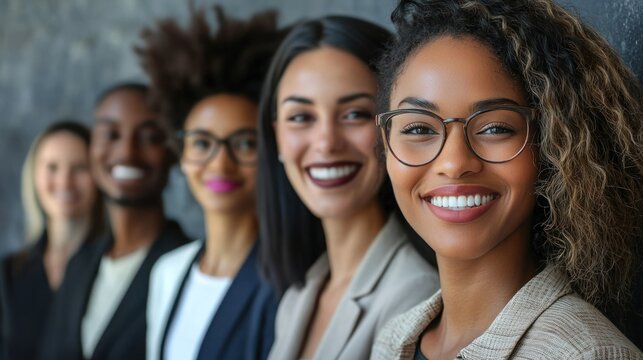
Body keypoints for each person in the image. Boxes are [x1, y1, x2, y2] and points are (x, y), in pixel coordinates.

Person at [371, 0, 643, 358]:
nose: (454, 164)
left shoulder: (586, 353)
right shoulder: (393, 340)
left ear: (550, 147)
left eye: (496, 128)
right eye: (419, 127)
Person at [257, 16, 440, 360]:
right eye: (301, 117)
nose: (326, 143)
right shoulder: (301, 293)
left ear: (394, 129)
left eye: (355, 113)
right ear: (276, 136)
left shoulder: (417, 296)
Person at [136, 6, 285, 360]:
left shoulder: (292, 279)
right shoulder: (167, 272)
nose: (220, 163)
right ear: (182, 155)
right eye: (202, 143)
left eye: (245, 143)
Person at [39, 83, 190, 360]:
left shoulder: (189, 269)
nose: (127, 153)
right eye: (111, 134)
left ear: (173, 152)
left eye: (150, 137)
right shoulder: (79, 264)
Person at [0, 121, 103, 360]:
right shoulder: (9, 274)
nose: (65, 182)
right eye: (52, 167)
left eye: (79, 168)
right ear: (34, 176)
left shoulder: (114, 267)